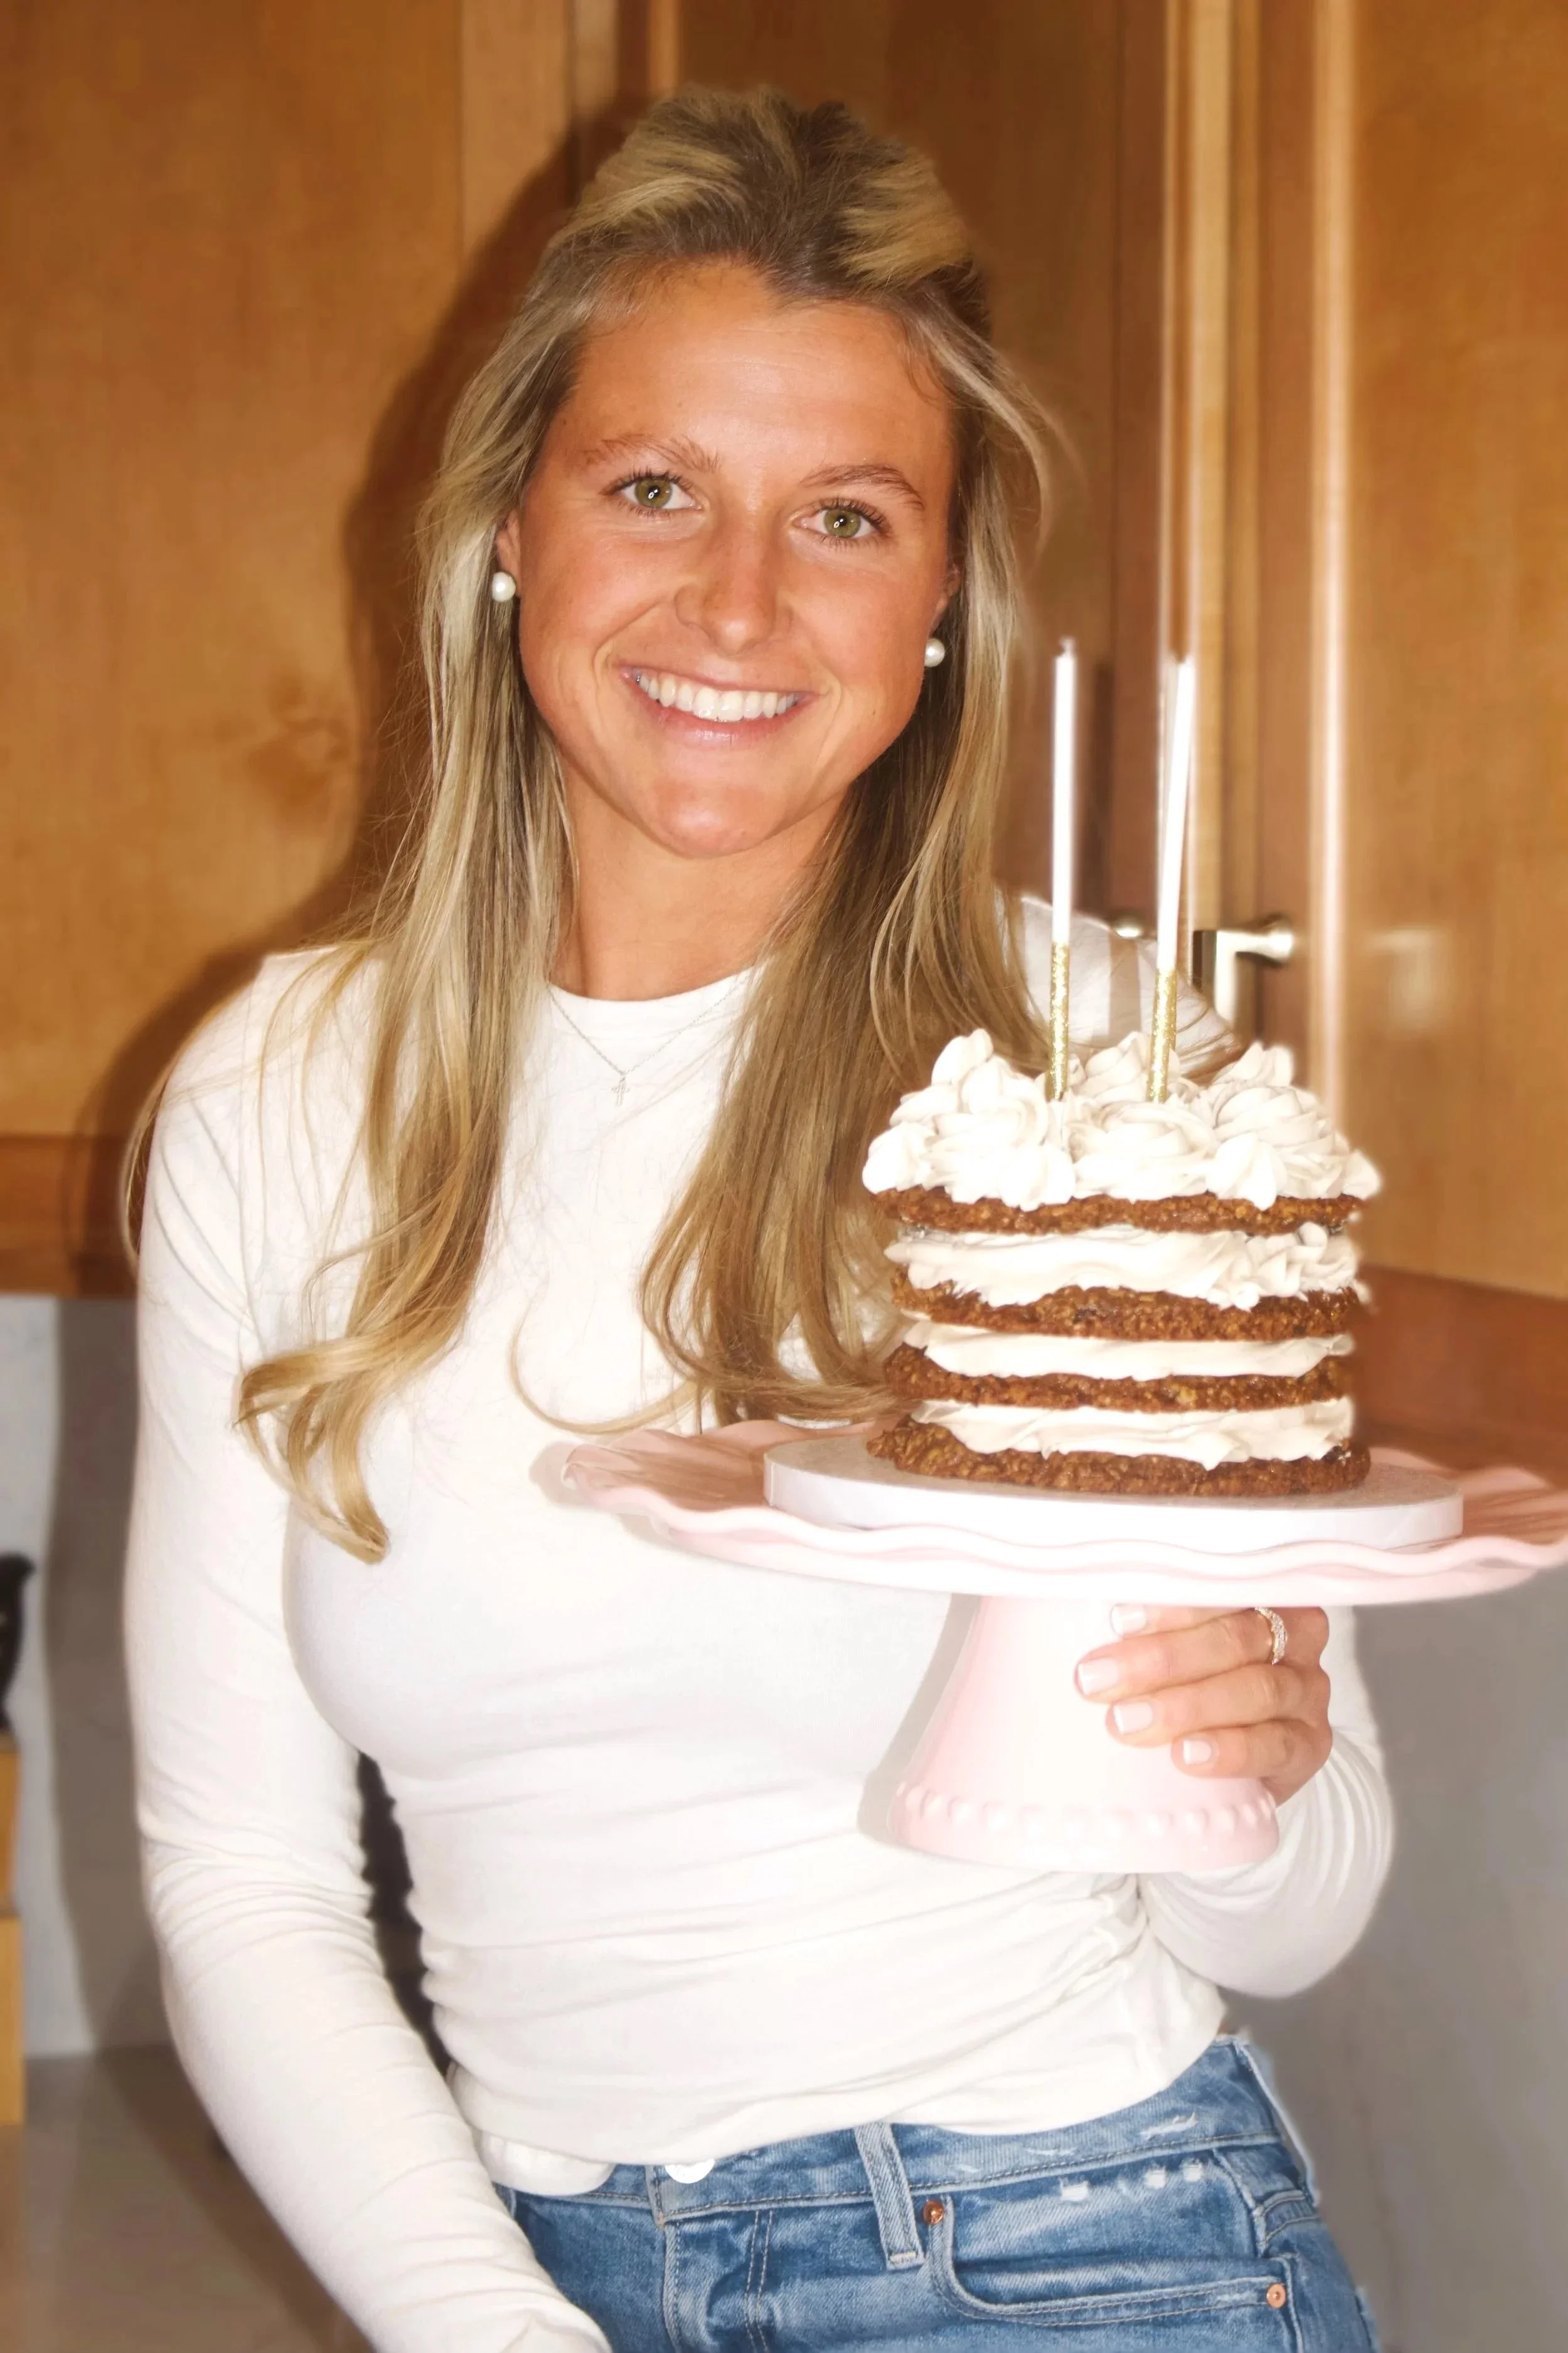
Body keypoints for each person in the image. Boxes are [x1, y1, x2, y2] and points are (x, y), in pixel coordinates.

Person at [126, 87, 1389, 2352]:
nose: (735, 600)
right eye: (651, 488)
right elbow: (244, 1883)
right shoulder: (281, 1097)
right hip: (520, 2255)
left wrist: (1262, 1762)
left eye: (842, 514)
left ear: (940, 602)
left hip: (1083, 2246)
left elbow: (1300, 1905)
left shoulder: (1106, 1082)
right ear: (515, 522)